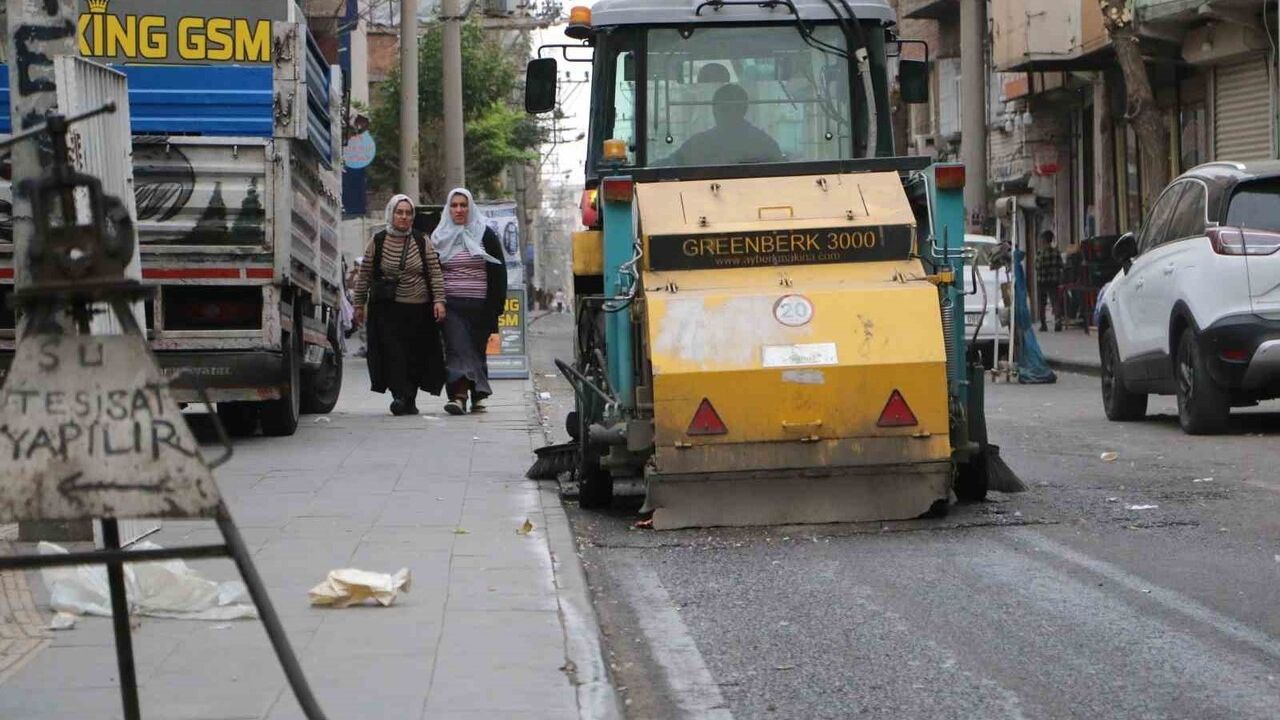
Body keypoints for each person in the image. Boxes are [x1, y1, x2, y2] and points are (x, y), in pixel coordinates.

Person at [352, 194, 447, 416]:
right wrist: (358, 304)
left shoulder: (421, 240)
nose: (404, 217)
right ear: (391, 214)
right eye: (399, 212)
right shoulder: (378, 241)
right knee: (393, 354)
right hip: (387, 309)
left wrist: (440, 301)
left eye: (408, 213)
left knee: (415, 355)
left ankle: (409, 397)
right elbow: (364, 274)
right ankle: (400, 396)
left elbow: (435, 273)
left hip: (418, 309)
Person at [433, 188, 507, 416]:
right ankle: (459, 396)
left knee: (475, 351)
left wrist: (495, 308)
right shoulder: (439, 237)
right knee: (458, 348)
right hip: (452, 304)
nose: (458, 210)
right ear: (448, 208)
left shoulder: (485, 235)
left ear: (470, 207)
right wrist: (437, 301)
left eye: (463, 205)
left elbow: (498, 273)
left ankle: (478, 395)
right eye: (454, 205)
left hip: (480, 306)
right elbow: (433, 272)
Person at [663, 83, 784, 166]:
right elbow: (669, 165)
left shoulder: (763, 144)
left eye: (734, 108)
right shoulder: (698, 144)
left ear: (743, 109)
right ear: (714, 110)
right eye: (723, 108)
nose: (729, 113)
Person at [1036, 229, 1064, 332]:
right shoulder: (1056, 252)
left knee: (1042, 303)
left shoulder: (1040, 253)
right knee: (1055, 301)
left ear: (1043, 240)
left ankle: (1043, 324)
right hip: (1053, 281)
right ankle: (1058, 322)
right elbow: (1061, 265)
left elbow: (1037, 266)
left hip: (1042, 281)